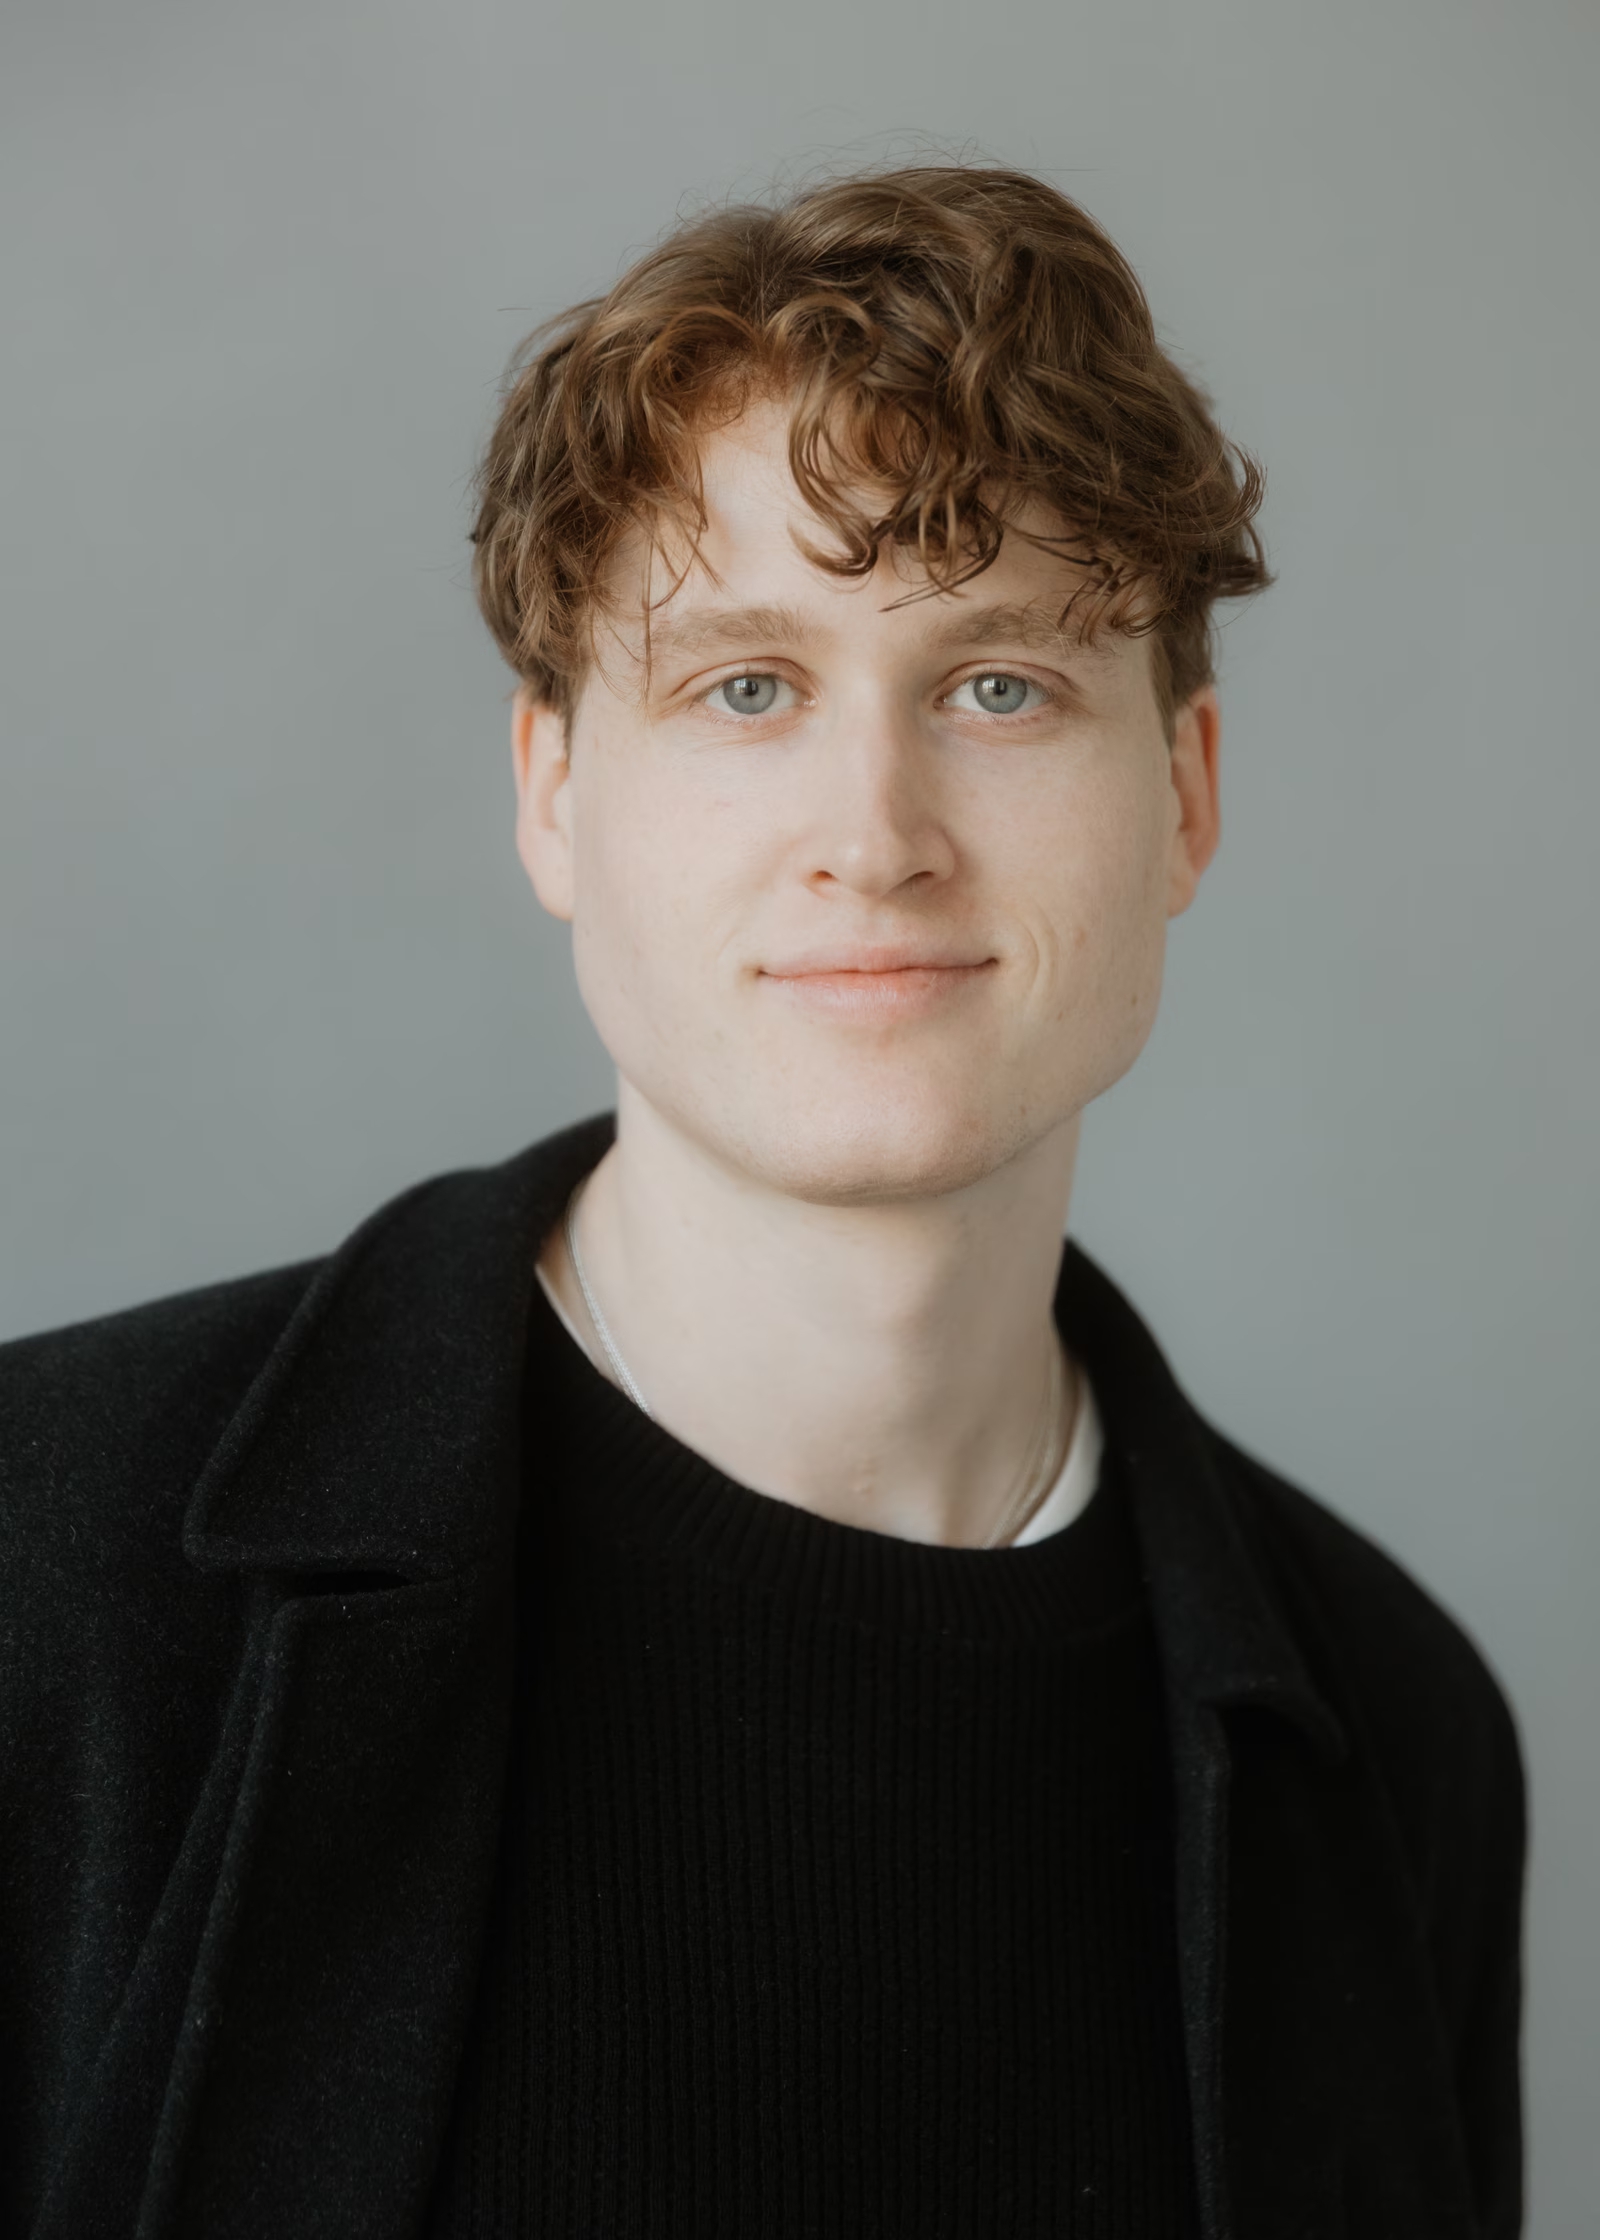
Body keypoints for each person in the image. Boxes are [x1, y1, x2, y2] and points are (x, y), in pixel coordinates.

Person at [0, 166, 1524, 2240]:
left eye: (998, 684)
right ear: (552, 793)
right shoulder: (47, 1565)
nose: (871, 836)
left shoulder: (1390, 1736)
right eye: (744, 687)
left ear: (1181, 797)